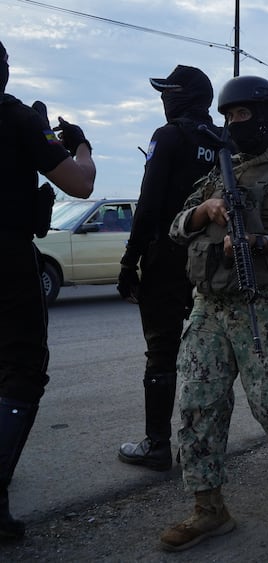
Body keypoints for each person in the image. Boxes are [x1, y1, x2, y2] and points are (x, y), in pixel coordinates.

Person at [160, 75, 268, 552]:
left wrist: (260, 242)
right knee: (198, 406)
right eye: (228, 116)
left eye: (241, 115)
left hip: (267, 306)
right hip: (210, 307)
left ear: (267, 119)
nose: (234, 124)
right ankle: (209, 509)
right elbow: (177, 226)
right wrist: (203, 212)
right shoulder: (219, 172)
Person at [0, 39, 95, 540]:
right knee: (21, 370)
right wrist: (79, 145)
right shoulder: (16, 117)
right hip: (7, 257)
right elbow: (79, 185)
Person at [116, 65, 222, 472]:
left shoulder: (170, 136)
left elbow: (149, 203)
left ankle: (157, 444)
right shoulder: (224, 141)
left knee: (162, 351)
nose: (164, 100)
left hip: (168, 259)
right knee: (210, 356)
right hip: (215, 265)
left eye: (168, 93)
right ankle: (206, 447)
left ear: (185, 97)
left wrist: (130, 260)